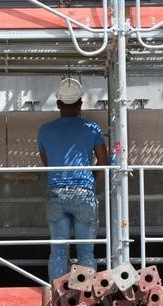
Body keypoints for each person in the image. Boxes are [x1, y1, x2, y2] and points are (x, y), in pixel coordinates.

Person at [38, 78, 109, 281]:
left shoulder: (44, 130)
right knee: (86, 253)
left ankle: (57, 297)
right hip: (83, 194)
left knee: (58, 252)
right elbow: (103, 163)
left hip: (56, 194)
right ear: (80, 104)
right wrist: (91, 177)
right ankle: (86, 299)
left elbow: (48, 163)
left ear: (58, 103)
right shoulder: (92, 128)